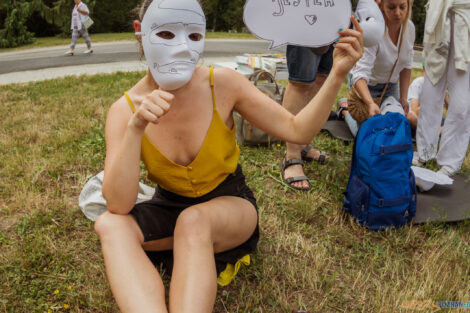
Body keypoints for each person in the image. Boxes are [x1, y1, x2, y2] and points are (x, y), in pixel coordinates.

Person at [92, 0, 364, 311]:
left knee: (193, 221)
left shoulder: (220, 83)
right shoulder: (123, 110)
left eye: (194, 36)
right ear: (141, 33)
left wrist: (338, 72)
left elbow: (296, 130)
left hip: (230, 204)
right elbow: (118, 205)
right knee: (110, 225)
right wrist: (135, 127)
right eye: (167, 34)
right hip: (170, 205)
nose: (182, 47)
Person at [341, 0, 415, 137]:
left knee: (392, 127)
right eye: (391, 8)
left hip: (390, 87)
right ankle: (345, 110)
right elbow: (360, 74)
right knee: (366, 134)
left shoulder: (409, 29)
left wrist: (404, 98)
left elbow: (407, 65)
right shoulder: (374, 32)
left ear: (408, 6)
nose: (398, 13)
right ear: (381, 6)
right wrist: (369, 103)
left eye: (402, 7)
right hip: (365, 86)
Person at [414, 0, 470, 177]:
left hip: (466, 24)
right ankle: (425, 151)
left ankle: (450, 160)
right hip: (439, 18)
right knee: (430, 95)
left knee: (461, 105)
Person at [280, 45, 333, 191]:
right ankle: (292, 155)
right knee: (300, 81)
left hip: (337, 24)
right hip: (307, 24)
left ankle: (302, 145)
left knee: (321, 77)